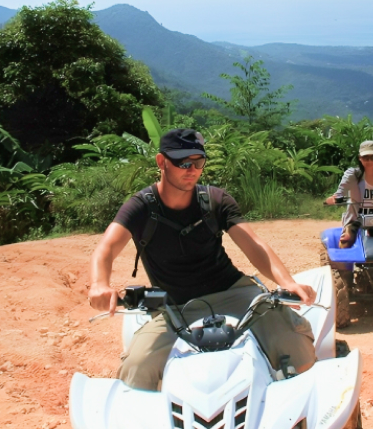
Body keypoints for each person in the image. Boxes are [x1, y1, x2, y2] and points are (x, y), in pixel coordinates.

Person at [88, 128, 317, 391]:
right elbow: (105, 248)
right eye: (183, 162)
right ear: (161, 162)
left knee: (291, 342)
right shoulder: (141, 207)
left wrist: (287, 282)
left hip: (233, 293)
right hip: (174, 308)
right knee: (137, 368)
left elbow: (253, 244)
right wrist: (98, 284)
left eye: (198, 162)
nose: (192, 169)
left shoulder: (216, 200)